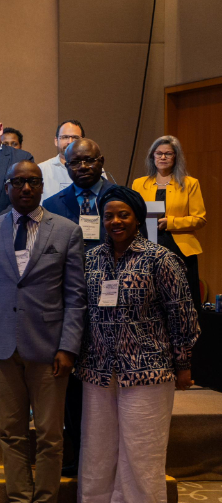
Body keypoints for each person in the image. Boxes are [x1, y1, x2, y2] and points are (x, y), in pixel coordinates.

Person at [0, 160, 85, 503]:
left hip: (50, 348)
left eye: (33, 182)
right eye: (18, 182)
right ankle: (19, 497)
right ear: (6, 187)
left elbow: (76, 297)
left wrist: (69, 347)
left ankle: (46, 498)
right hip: (3, 346)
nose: (25, 188)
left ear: (41, 186)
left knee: (50, 433)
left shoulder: (66, 230)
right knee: (11, 432)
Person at [77, 186, 200, 503]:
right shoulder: (91, 260)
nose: (115, 221)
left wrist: (183, 365)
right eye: (109, 216)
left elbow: (182, 315)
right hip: (99, 372)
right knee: (97, 452)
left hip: (148, 371)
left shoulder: (161, 259)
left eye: (123, 215)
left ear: (137, 218)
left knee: (142, 453)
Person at [40, 137, 114, 475]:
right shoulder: (53, 205)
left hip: (112, 308)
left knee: (107, 387)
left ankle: (108, 458)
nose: (82, 167)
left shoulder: (119, 199)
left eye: (88, 161)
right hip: (68, 306)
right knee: (70, 387)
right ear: (65, 166)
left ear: (100, 161)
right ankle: (76, 457)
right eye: (74, 163)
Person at [132, 135, 206, 309]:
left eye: (168, 154)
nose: (163, 157)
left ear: (176, 157)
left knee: (181, 300)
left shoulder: (190, 184)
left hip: (179, 248)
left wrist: (170, 222)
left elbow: (200, 219)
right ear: (152, 156)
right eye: (158, 153)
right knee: (151, 299)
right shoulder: (139, 184)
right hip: (147, 247)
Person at [40, 121, 89, 198]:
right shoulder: (42, 170)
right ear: (56, 141)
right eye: (65, 137)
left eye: (75, 137)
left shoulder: (93, 169)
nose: (70, 142)